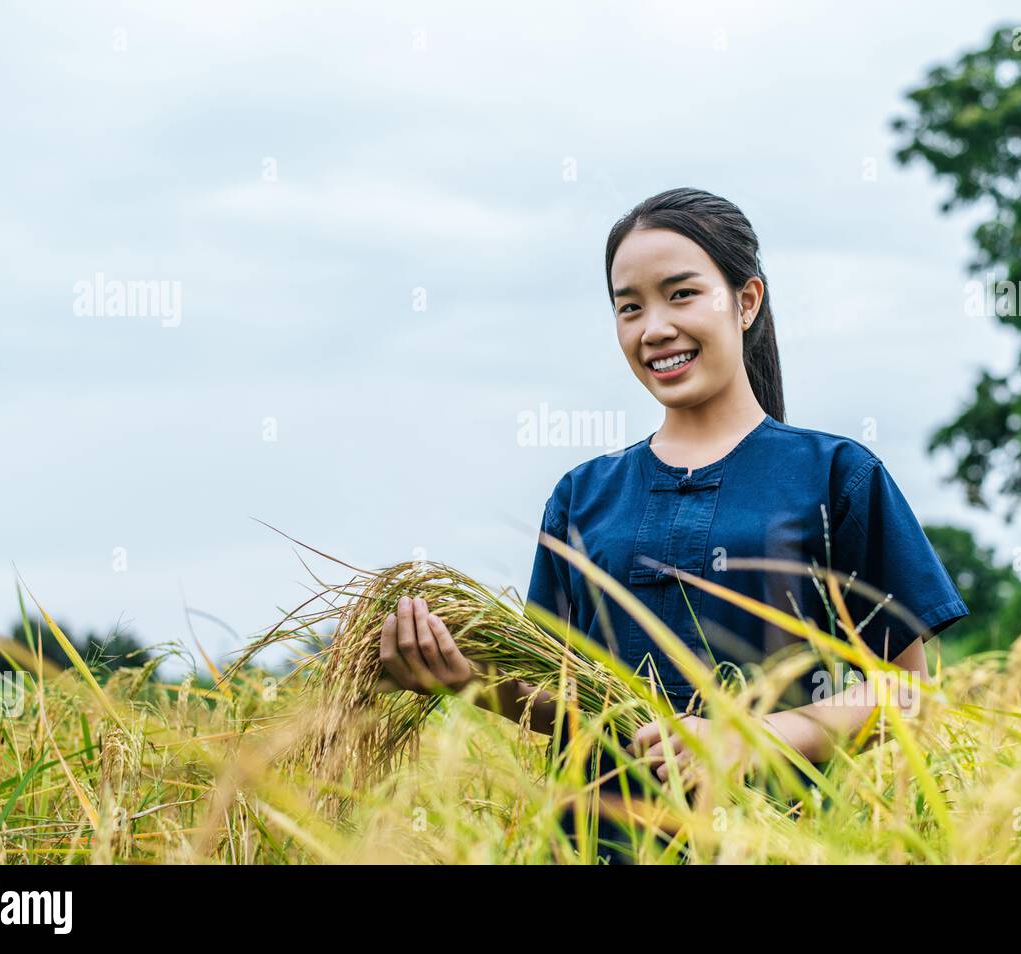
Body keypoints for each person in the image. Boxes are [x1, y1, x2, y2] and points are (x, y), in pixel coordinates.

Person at [376, 186, 969, 861]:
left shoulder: (835, 474)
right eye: (629, 307)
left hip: (779, 846)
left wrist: (755, 736)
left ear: (747, 302)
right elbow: (565, 701)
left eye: (681, 294)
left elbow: (908, 690)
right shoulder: (582, 497)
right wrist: (468, 679)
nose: (652, 327)